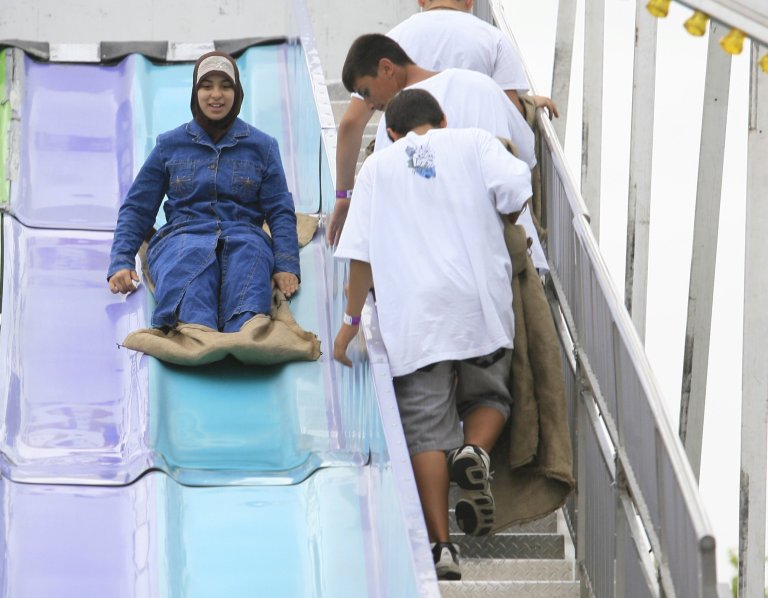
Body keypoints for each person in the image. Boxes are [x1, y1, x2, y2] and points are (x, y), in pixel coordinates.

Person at [333, 89, 532, 581]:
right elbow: (517, 188)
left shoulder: (377, 168)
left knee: (425, 430)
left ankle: (441, 546)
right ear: (443, 118)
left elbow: (360, 255)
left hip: (414, 318)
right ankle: (477, 451)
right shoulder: (475, 141)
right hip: (478, 303)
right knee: (491, 396)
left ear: (392, 133)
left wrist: (350, 324)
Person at [328, 0, 557, 246]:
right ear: (470, 2)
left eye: (366, 94)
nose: (371, 103)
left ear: (421, 1)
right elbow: (518, 142)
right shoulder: (492, 46)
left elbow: (351, 123)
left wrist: (344, 195)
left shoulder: (392, 43)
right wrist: (527, 104)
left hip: (421, 237)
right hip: (488, 227)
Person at [107, 51, 300, 334]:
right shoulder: (169, 145)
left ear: (237, 92)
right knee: (189, 285)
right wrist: (121, 260)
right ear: (195, 91)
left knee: (248, 291)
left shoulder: (263, 147)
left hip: (245, 237)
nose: (216, 95)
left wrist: (285, 264)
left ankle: (242, 335)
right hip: (182, 238)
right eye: (206, 85)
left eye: (225, 85)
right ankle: (196, 333)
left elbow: (280, 210)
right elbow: (138, 207)